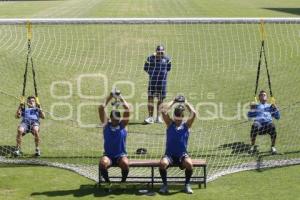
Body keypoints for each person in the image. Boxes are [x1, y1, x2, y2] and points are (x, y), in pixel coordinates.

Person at [158, 95, 196, 194]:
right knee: (162, 164)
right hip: (169, 155)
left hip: (182, 155)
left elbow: (194, 113)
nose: (178, 120)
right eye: (176, 118)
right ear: (174, 116)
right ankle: (165, 185)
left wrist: (186, 102)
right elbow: (163, 111)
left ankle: (187, 185)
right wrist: (174, 101)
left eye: (180, 118)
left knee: (189, 164)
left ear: (183, 117)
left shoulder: (186, 125)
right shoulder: (170, 124)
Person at [98, 90, 130, 191]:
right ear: (110, 118)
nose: (115, 121)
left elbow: (127, 108)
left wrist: (120, 96)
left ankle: (123, 183)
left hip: (121, 155)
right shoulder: (106, 125)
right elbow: (101, 108)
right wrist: (110, 96)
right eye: (113, 119)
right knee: (103, 163)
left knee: (125, 163)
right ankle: (108, 184)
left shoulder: (123, 125)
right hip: (109, 155)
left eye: (117, 119)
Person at [144, 45, 172, 124]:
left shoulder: (167, 59)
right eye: (158, 52)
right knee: (150, 98)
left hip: (162, 83)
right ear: (156, 51)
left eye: (161, 52)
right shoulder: (150, 58)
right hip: (152, 83)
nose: (160, 54)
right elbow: (145, 68)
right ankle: (150, 117)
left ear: (164, 52)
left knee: (160, 100)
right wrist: (153, 74)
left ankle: (158, 117)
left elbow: (168, 68)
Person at [248, 90, 280, 154]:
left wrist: (276, 109)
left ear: (267, 98)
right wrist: (251, 109)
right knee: (254, 126)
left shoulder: (270, 106)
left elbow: (277, 117)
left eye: (264, 95)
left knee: (272, 126)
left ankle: (273, 147)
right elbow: (249, 117)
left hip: (268, 124)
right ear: (259, 98)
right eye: (261, 95)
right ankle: (252, 146)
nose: (263, 96)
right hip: (259, 125)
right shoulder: (256, 106)